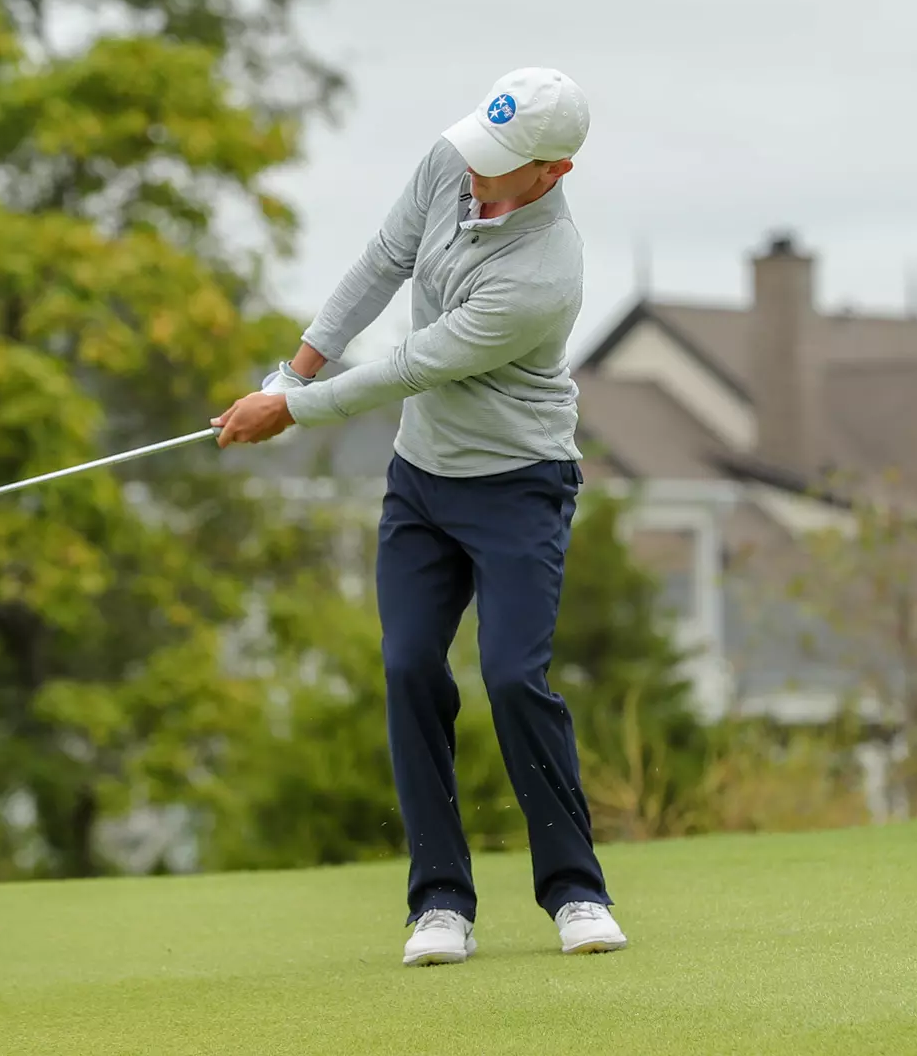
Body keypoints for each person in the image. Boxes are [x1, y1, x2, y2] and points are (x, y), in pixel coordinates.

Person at [208, 67, 625, 966]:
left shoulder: (544, 275)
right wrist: (294, 370)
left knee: (513, 677)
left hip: (519, 484)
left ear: (552, 173)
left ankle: (575, 891)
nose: (476, 171)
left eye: (503, 163)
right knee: (407, 668)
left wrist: (287, 410)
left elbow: (409, 365)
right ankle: (438, 902)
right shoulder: (452, 162)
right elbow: (380, 262)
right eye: (481, 145)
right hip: (423, 483)